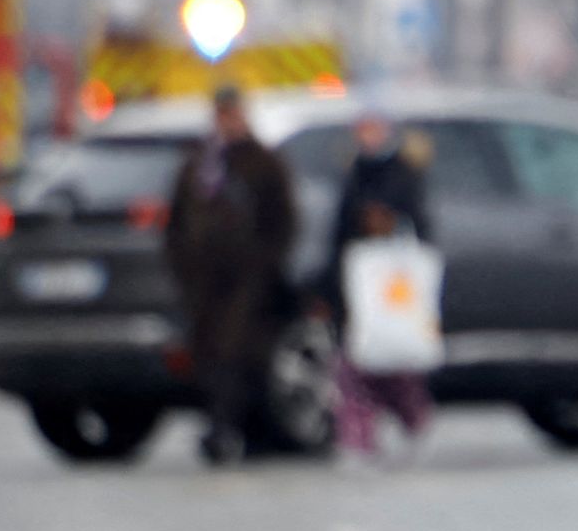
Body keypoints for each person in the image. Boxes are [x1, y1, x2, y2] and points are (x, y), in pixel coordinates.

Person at [166, 84, 297, 464]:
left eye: (234, 113)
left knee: (238, 351)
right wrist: (183, 266)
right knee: (209, 355)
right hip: (204, 280)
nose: (228, 121)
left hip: (247, 278)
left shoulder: (264, 163)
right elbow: (176, 223)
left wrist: (265, 263)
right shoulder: (200, 166)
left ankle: (232, 431)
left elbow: (283, 222)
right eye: (222, 114)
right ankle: (221, 427)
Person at [321, 113, 435, 457]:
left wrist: (390, 227)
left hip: (393, 286)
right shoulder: (354, 173)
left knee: (396, 368)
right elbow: (338, 233)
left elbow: (422, 228)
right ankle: (358, 438)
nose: (369, 137)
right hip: (357, 282)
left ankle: (412, 418)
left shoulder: (404, 174)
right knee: (354, 368)